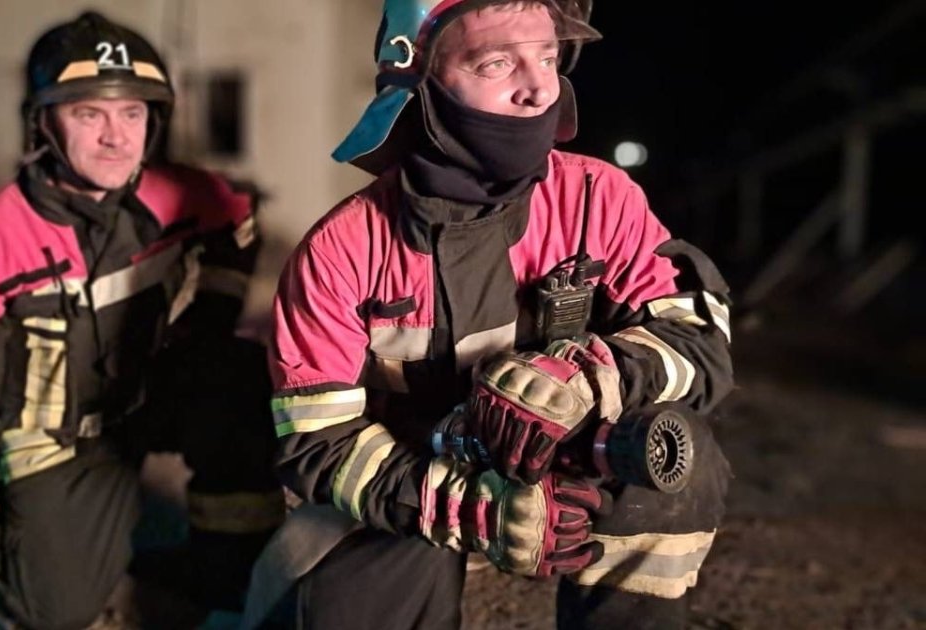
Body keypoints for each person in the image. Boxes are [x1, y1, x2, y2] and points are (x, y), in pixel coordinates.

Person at [261, 1, 734, 628]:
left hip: (574, 456)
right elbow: (317, 441)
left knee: (675, 456)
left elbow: (698, 342)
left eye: (547, 58)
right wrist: (466, 508)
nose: (539, 88)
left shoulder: (599, 199)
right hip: (408, 481)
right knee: (339, 602)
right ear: (418, 81)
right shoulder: (342, 250)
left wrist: (596, 377)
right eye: (497, 63)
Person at [0, 11, 284, 629]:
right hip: (60, 441)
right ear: (43, 123)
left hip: (148, 394)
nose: (116, 137)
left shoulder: (174, 195)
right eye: (89, 114)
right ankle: (45, 541)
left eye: (132, 113)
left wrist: (207, 323)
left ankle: (224, 568)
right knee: (56, 612)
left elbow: (238, 216)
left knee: (240, 376)